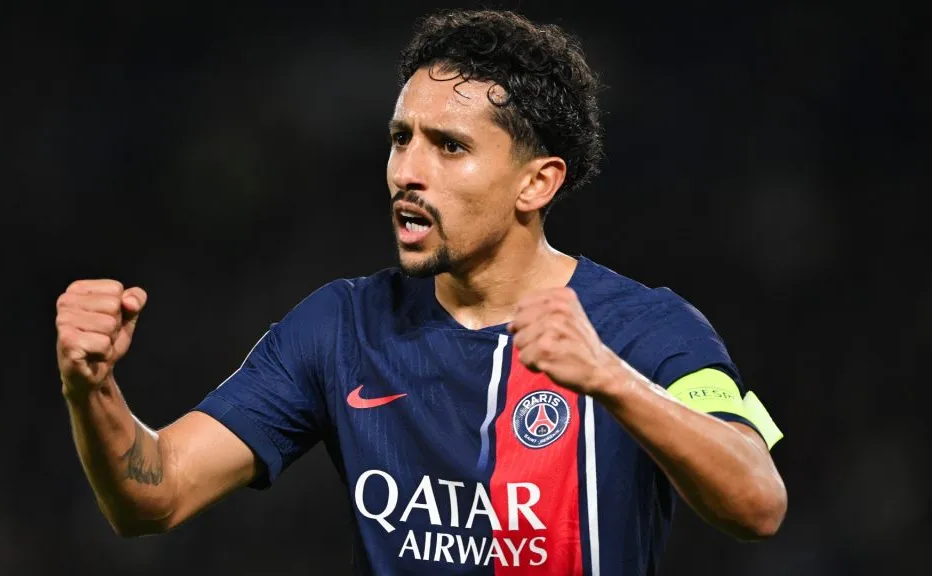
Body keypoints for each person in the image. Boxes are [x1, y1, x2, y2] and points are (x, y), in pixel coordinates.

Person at [56, 9, 787, 575]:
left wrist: (608, 379)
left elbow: (758, 501)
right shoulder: (340, 327)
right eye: (401, 138)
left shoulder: (644, 329)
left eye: (450, 146)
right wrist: (91, 390)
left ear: (538, 182)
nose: (407, 169)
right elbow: (153, 497)